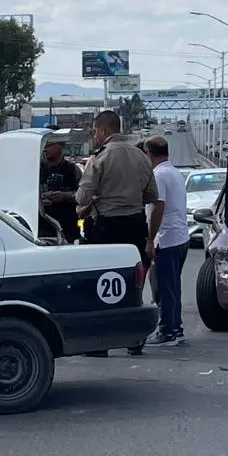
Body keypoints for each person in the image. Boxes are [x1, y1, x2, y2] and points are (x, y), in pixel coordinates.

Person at [75, 110, 158, 356]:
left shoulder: (99, 158)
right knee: (134, 284)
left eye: (95, 131)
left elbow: (82, 197)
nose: (94, 136)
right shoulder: (141, 156)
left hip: (105, 227)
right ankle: (135, 339)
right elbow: (151, 195)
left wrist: (100, 198)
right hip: (135, 225)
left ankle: (101, 344)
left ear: (103, 130)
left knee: (102, 285)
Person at [143, 135, 189, 346]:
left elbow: (158, 207)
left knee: (163, 288)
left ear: (149, 154)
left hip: (167, 239)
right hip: (179, 237)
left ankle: (167, 331)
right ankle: (175, 328)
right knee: (173, 287)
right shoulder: (174, 172)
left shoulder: (159, 175)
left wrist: (150, 239)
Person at [39, 138, 81, 243]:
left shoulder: (73, 170)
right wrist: (39, 200)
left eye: (48, 145)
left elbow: (84, 195)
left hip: (67, 228)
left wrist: (65, 196)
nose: (45, 149)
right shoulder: (36, 169)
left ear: (59, 147)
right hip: (40, 228)